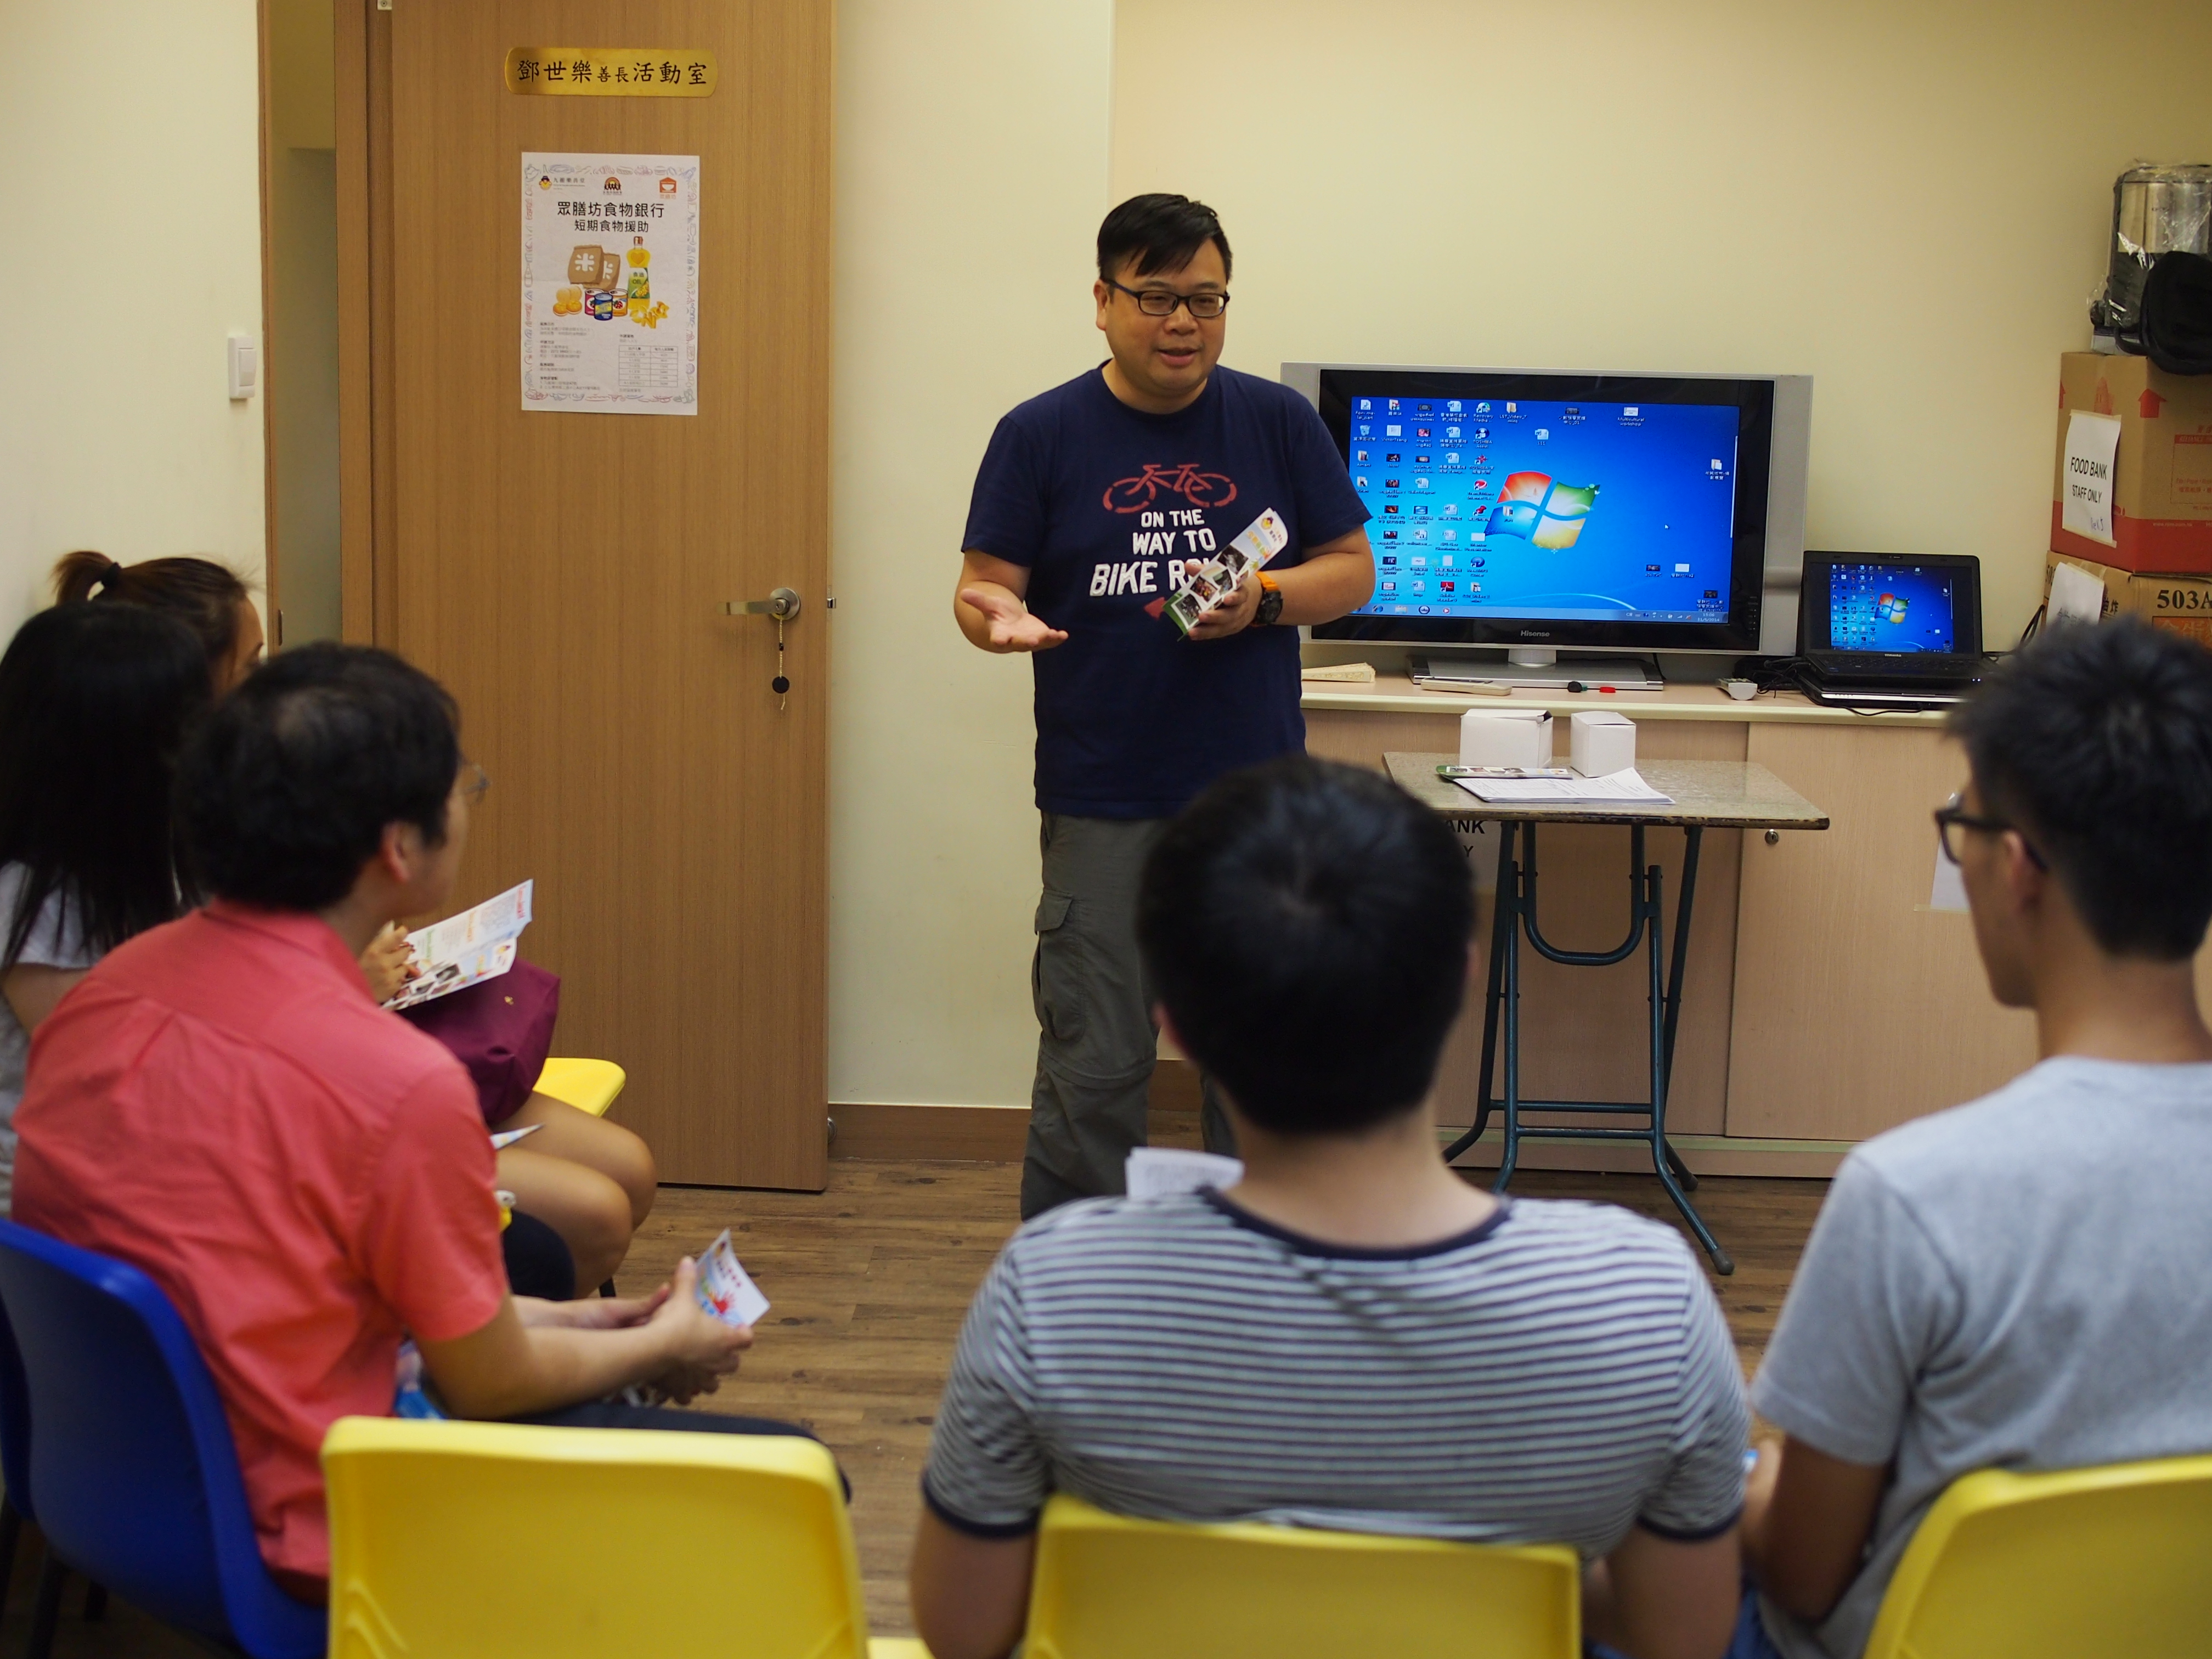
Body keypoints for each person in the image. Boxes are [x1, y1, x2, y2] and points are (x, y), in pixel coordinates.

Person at [13, 643, 811, 1595]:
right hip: (317, 1512)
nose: (471, 798)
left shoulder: (106, 995)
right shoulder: (393, 1080)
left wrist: (602, 1321)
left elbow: (305, 1297)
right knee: (795, 1479)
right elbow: (486, 1382)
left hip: (128, 1481)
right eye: (462, 782)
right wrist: (666, 1342)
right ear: (399, 847)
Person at [910, 756, 1747, 1659]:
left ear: (1175, 1024)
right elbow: (1685, 1636)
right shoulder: (1644, 1299)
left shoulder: (1051, 1290)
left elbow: (965, 1629)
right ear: (1464, 976)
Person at [1738, 618, 2212, 1659]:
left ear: (2018, 869)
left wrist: (1745, 1479)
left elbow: (1805, 1570)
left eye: (1965, 825)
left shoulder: (1914, 1194)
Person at [59, 548, 656, 1292]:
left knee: (620, 1175)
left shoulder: (188, 871)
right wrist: (647, 1344)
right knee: (583, 1221)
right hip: (278, 1171)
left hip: (301, 1122)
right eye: (249, 669)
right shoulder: (103, 907)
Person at [953, 194, 1375, 1218]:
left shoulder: (1275, 422)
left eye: (1205, 298)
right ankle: (1079, 1281)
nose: (1182, 321)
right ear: (1102, 301)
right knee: (1096, 1062)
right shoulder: (1039, 432)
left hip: (1258, 804)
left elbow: (1354, 569)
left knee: (1262, 1064)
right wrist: (997, 618)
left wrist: (1264, 598)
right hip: (1104, 795)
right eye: (1155, 296)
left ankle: (1259, 1278)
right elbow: (982, 587)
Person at [0, 603, 211, 1214]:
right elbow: (133, 1087)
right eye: (193, 722)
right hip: (76, 1217)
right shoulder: (32, 902)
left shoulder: (161, 855)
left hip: (155, 1175)